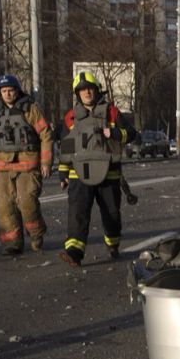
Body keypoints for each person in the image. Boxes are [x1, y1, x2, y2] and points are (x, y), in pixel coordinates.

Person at [56, 71, 137, 267]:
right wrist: (63, 173)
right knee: (78, 212)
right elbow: (66, 146)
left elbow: (132, 134)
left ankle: (113, 243)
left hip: (109, 173)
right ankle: (74, 253)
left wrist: (115, 132)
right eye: (82, 90)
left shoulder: (112, 112)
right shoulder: (70, 118)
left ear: (97, 90)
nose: (87, 93)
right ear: (77, 93)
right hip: (79, 174)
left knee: (111, 213)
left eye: (90, 89)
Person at [0, 74, 53, 256]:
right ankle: (13, 243)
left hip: (28, 168)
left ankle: (36, 235)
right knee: (5, 207)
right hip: (2, 170)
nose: (8, 94)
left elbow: (45, 135)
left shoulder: (31, 110)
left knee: (27, 203)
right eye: (4, 91)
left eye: (11, 90)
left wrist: (46, 162)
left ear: (17, 90)